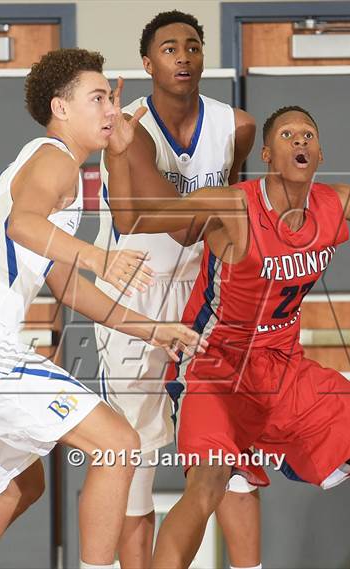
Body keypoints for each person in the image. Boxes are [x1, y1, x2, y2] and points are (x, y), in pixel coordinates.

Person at [106, 104, 350, 568]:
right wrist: (118, 154)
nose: (300, 141)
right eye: (288, 135)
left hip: (284, 367)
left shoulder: (336, 203)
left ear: (319, 153)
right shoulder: (234, 203)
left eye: (308, 135)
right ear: (268, 156)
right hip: (215, 365)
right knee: (209, 485)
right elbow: (132, 219)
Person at [0, 48, 205, 569]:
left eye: (113, 99)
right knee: (117, 443)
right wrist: (102, 256)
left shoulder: (53, 170)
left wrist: (153, 330)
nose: (110, 110)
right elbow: (22, 225)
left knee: (15, 489)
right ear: (61, 107)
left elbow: (67, 286)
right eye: (97, 98)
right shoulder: (52, 157)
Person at [94, 10, 261, 569]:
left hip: (204, 296)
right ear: (147, 63)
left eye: (193, 46)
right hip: (133, 293)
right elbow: (152, 219)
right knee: (133, 458)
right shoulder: (125, 125)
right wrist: (213, 206)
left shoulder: (236, 125)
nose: (183, 56)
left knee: (227, 448)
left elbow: (228, 220)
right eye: (169, 48)